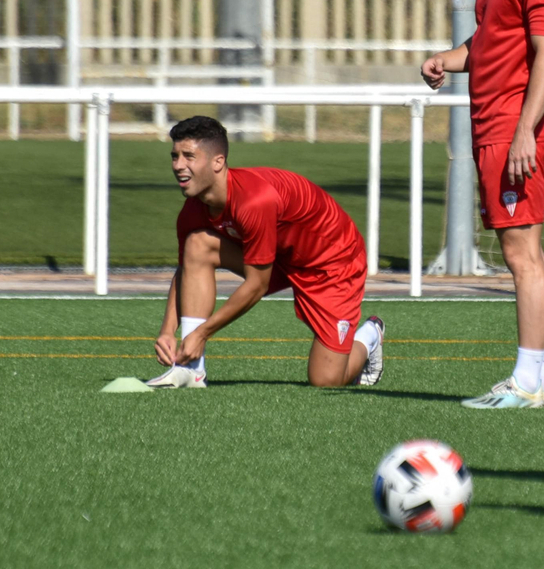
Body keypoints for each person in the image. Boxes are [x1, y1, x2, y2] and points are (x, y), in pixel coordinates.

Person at [422, 0, 544, 409]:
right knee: (526, 253)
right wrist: (448, 57)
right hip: (494, 127)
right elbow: (488, 45)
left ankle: (528, 381)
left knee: (522, 257)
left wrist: (526, 131)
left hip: (515, 129)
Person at [145, 115, 385, 390]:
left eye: (189, 156)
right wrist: (167, 331)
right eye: (174, 156)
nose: (178, 166)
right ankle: (190, 370)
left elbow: (257, 285)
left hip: (331, 262)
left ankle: (369, 335)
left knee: (326, 380)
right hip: (276, 257)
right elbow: (186, 271)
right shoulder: (192, 212)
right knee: (197, 243)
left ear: (218, 162)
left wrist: (203, 333)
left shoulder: (254, 200)